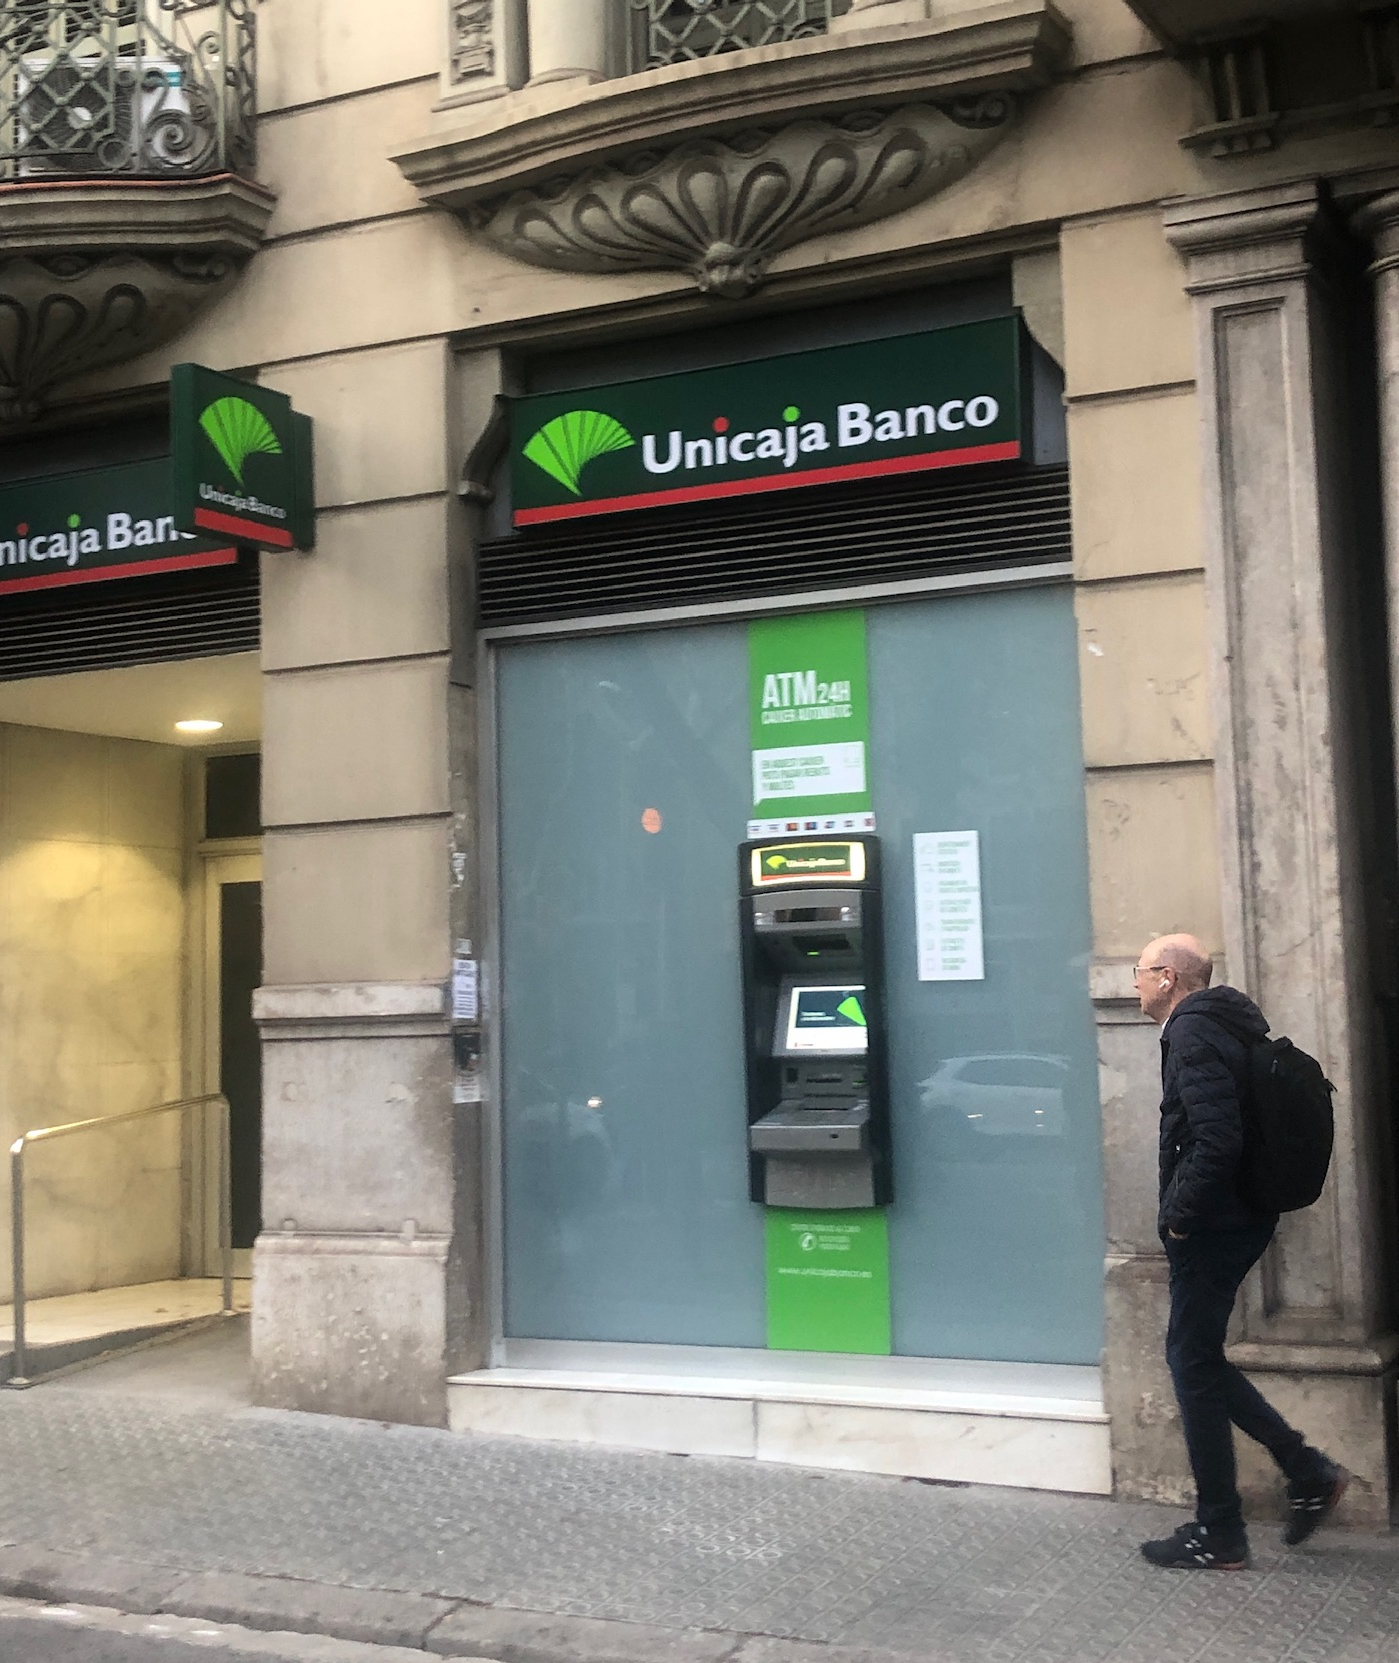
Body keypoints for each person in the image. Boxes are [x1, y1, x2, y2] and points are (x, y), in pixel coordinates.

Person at [1134, 934, 1346, 1570]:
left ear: (1168, 977)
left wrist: (1179, 1216)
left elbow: (1217, 1138)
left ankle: (1221, 1529)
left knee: (1191, 1363)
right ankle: (1304, 1472)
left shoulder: (1191, 1032)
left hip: (1214, 1225)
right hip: (1241, 1217)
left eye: (1141, 971)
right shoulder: (1229, 1023)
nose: (1134, 983)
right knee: (1197, 1357)